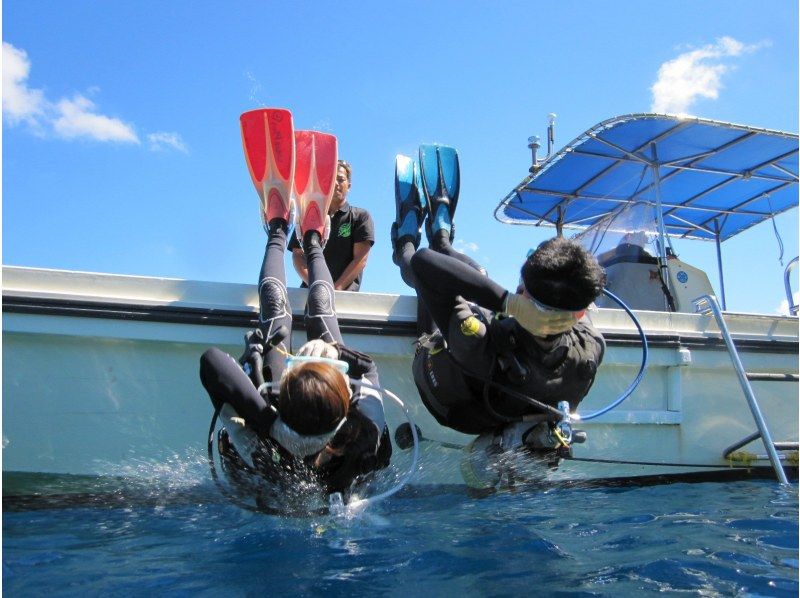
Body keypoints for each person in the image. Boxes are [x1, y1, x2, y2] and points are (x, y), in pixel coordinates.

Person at [390, 162, 606, 478]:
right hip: (505, 404)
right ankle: (443, 239)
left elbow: (426, 267)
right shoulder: (591, 346)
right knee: (476, 278)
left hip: (454, 401)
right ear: (582, 313)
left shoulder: (478, 340)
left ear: (522, 292)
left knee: (452, 281)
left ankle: (406, 241)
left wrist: (507, 302)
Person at [200, 192, 391, 504]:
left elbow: (211, 362)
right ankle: (313, 239)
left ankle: (279, 231)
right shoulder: (367, 436)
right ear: (346, 404)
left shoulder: (267, 432)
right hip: (318, 444)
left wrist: (269, 425)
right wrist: (334, 354)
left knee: (276, 314)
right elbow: (368, 368)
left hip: (275, 441)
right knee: (319, 315)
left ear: (281, 401)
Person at [289, 160, 374, 291]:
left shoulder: (360, 217)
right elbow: (298, 255)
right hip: (310, 294)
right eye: (331, 179)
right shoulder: (308, 216)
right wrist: (316, 285)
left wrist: (336, 289)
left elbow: (360, 259)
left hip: (346, 298)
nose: (335, 183)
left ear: (349, 186)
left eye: (340, 179)